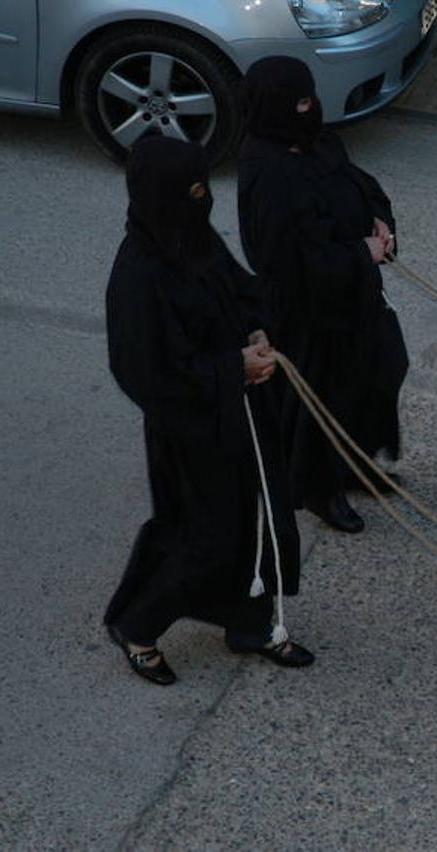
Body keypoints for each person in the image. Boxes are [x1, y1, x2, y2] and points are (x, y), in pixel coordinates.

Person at [104, 135, 314, 686]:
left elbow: (241, 290)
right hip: (190, 432)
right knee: (206, 538)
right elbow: (144, 374)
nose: (205, 199)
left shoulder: (193, 238)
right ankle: (138, 625)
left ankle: (249, 624)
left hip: (242, 413)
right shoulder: (138, 276)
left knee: (258, 524)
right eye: (193, 190)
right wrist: (231, 368)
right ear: (165, 196)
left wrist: (258, 329)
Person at [236, 56, 408, 534]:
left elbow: (360, 185)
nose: (310, 109)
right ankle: (318, 488)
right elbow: (286, 263)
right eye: (300, 102)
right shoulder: (268, 176)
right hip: (309, 316)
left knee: (383, 368)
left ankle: (353, 464)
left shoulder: (314, 141)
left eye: (310, 98)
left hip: (354, 299)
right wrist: (361, 253)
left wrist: (379, 221)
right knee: (322, 403)